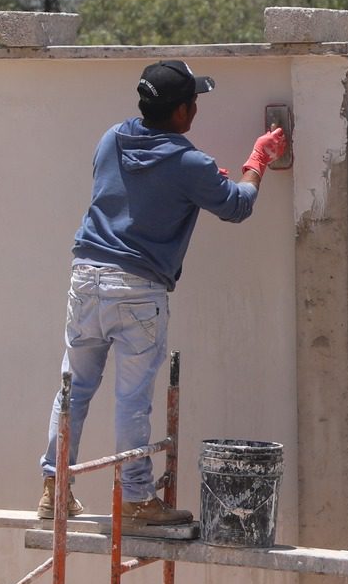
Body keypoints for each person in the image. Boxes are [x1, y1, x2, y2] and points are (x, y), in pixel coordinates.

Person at [38, 60, 287, 521]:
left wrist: (193, 183)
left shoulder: (113, 137)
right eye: (193, 101)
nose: (196, 108)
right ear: (180, 112)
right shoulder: (188, 162)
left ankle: (54, 487)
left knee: (73, 389)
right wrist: (259, 159)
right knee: (132, 401)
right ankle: (136, 500)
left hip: (86, 278)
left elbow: (130, 187)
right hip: (136, 290)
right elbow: (237, 206)